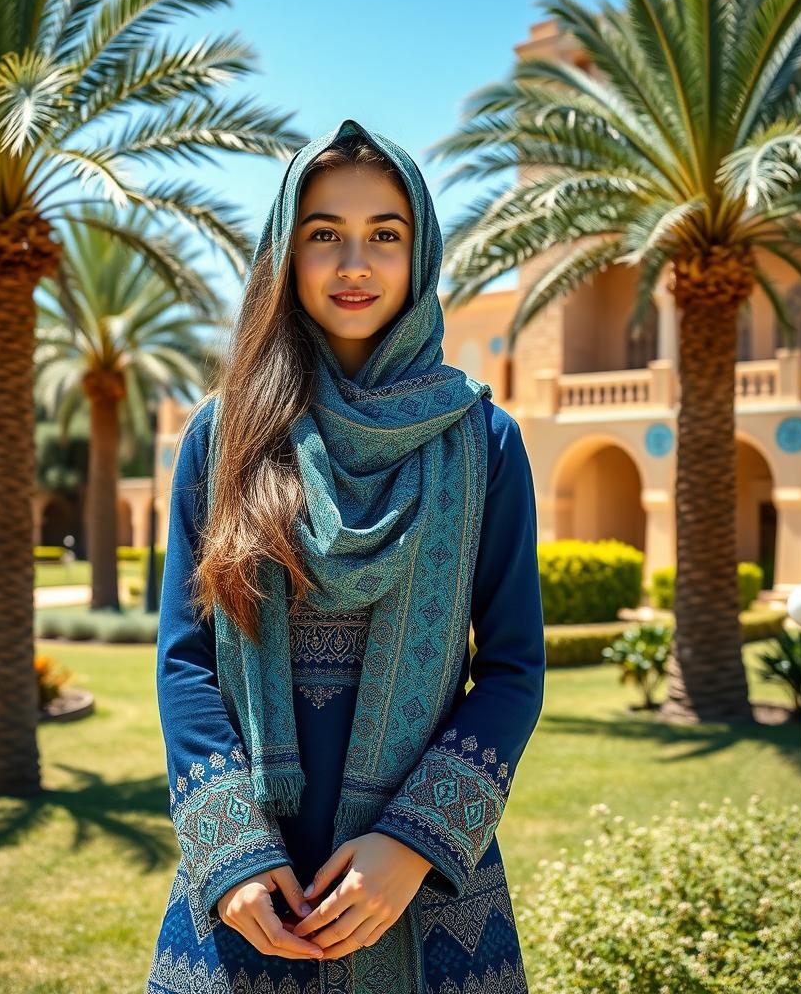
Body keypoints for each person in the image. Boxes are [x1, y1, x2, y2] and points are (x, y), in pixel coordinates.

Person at [146, 118, 545, 994]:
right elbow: (186, 661)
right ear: (284, 253)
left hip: (426, 888)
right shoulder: (226, 438)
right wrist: (233, 856)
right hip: (254, 887)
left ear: (422, 253)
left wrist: (411, 846)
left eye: (384, 236)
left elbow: (514, 670)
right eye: (323, 234)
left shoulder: (484, 442)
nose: (353, 263)